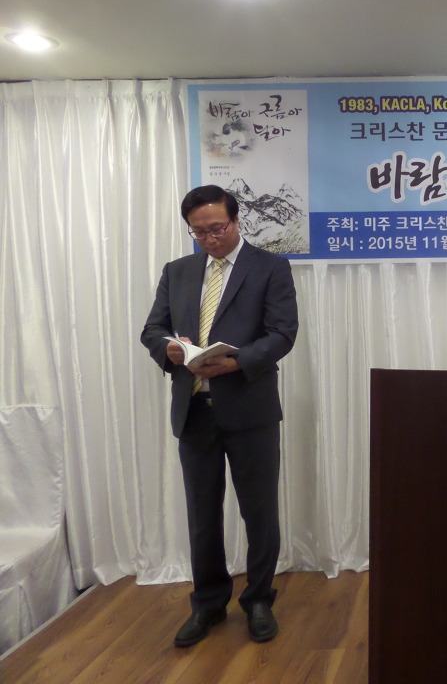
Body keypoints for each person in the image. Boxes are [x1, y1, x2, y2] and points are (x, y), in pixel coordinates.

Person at [140, 185, 298, 647]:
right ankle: (208, 604)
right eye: (199, 232)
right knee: (202, 514)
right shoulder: (178, 271)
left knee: (259, 512)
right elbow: (153, 329)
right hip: (194, 411)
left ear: (236, 220)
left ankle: (259, 599)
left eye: (217, 228)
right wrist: (170, 349)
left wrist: (237, 361)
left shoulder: (270, 267)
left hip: (250, 409)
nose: (210, 238)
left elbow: (282, 334)